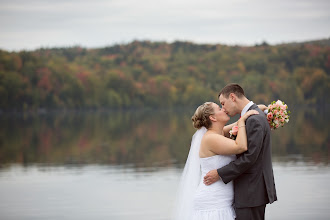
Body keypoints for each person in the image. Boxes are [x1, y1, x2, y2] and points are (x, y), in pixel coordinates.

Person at [174, 101, 261, 220]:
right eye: (219, 109)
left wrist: (255, 110)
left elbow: (237, 124)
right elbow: (241, 146)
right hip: (213, 203)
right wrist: (241, 121)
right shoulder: (211, 138)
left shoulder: (218, 133)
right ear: (213, 117)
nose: (223, 109)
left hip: (222, 202)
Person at [203, 83, 277, 220]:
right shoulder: (252, 116)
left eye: (223, 104)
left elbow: (249, 158)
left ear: (233, 97)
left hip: (251, 192)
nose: (223, 109)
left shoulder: (254, 119)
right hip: (251, 192)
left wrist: (219, 173)